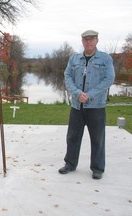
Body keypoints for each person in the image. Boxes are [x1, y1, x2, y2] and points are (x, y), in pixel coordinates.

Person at [58, 30, 115, 180]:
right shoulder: (74, 58)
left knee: (97, 138)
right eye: (85, 40)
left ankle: (97, 168)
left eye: (91, 39)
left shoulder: (105, 59)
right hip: (77, 105)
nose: (88, 42)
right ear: (82, 41)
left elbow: (109, 79)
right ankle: (70, 164)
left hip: (96, 106)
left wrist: (89, 95)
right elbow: (67, 76)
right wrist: (77, 93)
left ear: (97, 40)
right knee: (72, 136)